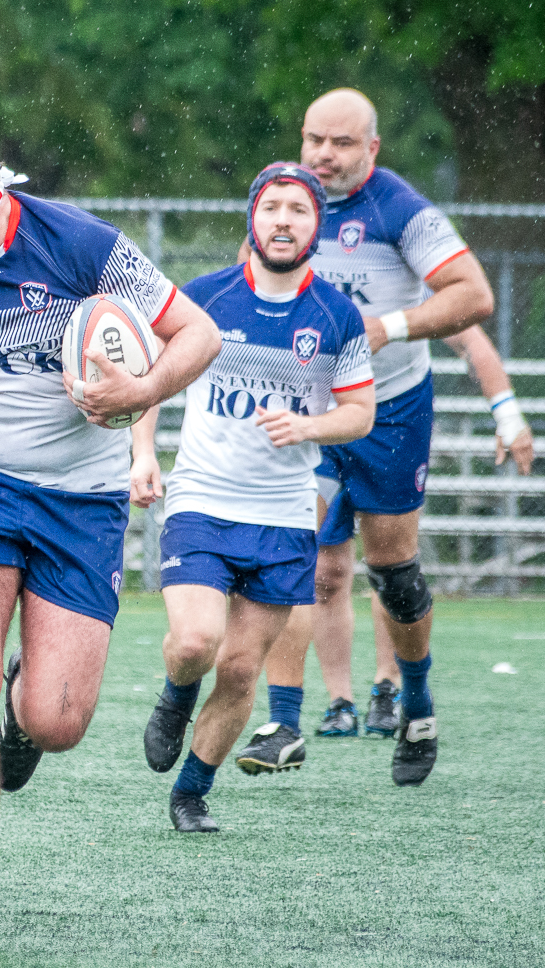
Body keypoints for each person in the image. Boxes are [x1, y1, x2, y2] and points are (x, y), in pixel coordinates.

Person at [0, 113, 219, 954]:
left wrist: (141, 393)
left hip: (83, 502)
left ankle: (24, 714)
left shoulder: (80, 245)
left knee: (57, 722)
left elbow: (197, 333)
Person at [257, 89, 493, 786]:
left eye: (341, 144)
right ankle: (286, 720)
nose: (324, 156)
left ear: (372, 149)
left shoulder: (399, 210)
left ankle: (416, 702)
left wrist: (387, 325)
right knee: (293, 551)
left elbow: (473, 295)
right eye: (314, 140)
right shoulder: (286, 200)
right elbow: (247, 286)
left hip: (391, 407)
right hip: (310, 413)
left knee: (392, 571)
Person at [130, 164, 375, 832]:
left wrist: (311, 426)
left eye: (299, 210)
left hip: (282, 517)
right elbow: (150, 381)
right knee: (194, 642)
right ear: (253, 219)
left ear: (316, 226)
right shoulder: (205, 298)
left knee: (240, 670)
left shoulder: (335, 315)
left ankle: (190, 793)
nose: (284, 220)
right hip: (203, 502)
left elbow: (360, 413)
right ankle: (177, 697)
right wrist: (144, 453)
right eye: (272, 208)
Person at [261, 322, 531, 741]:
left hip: (393, 415)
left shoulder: (410, 259)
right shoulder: (296, 259)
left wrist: (506, 412)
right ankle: (333, 704)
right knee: (317, 569)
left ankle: (388, 688)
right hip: (319, 416)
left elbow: (469, 330)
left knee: (388, 568)